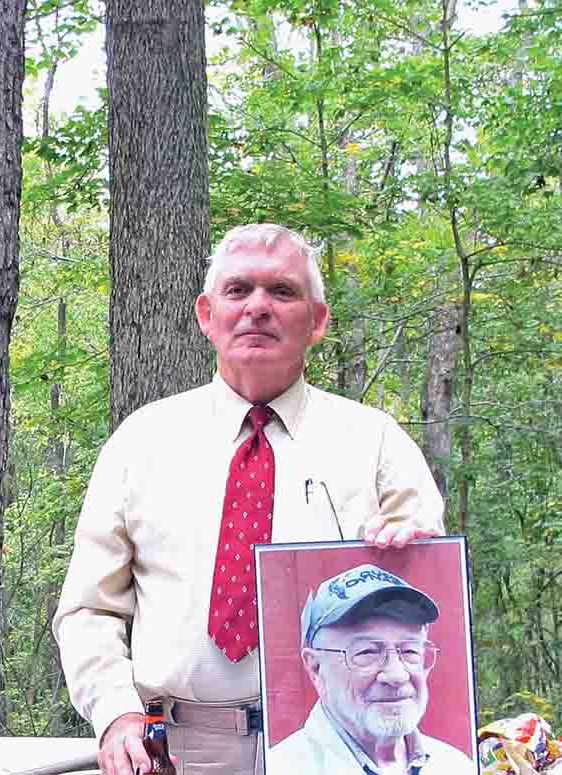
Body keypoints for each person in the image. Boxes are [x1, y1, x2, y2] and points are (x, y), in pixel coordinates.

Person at [52, 224, 447, 775]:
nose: (257, 307)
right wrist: (114, 713)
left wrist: (415, 550)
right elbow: (89, 608)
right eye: (238, 291)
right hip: (177, 751)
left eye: (282, 292)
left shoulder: (376, 442)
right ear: (206, 315)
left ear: (318, 320)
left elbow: (426, 571)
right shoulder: (142, 442)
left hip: (336, 749)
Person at [267, 563, 477, 773]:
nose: (397, 675)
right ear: (316, 668)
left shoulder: (456, 766)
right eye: (367, 652)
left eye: (410, 651)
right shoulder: (278, 768)